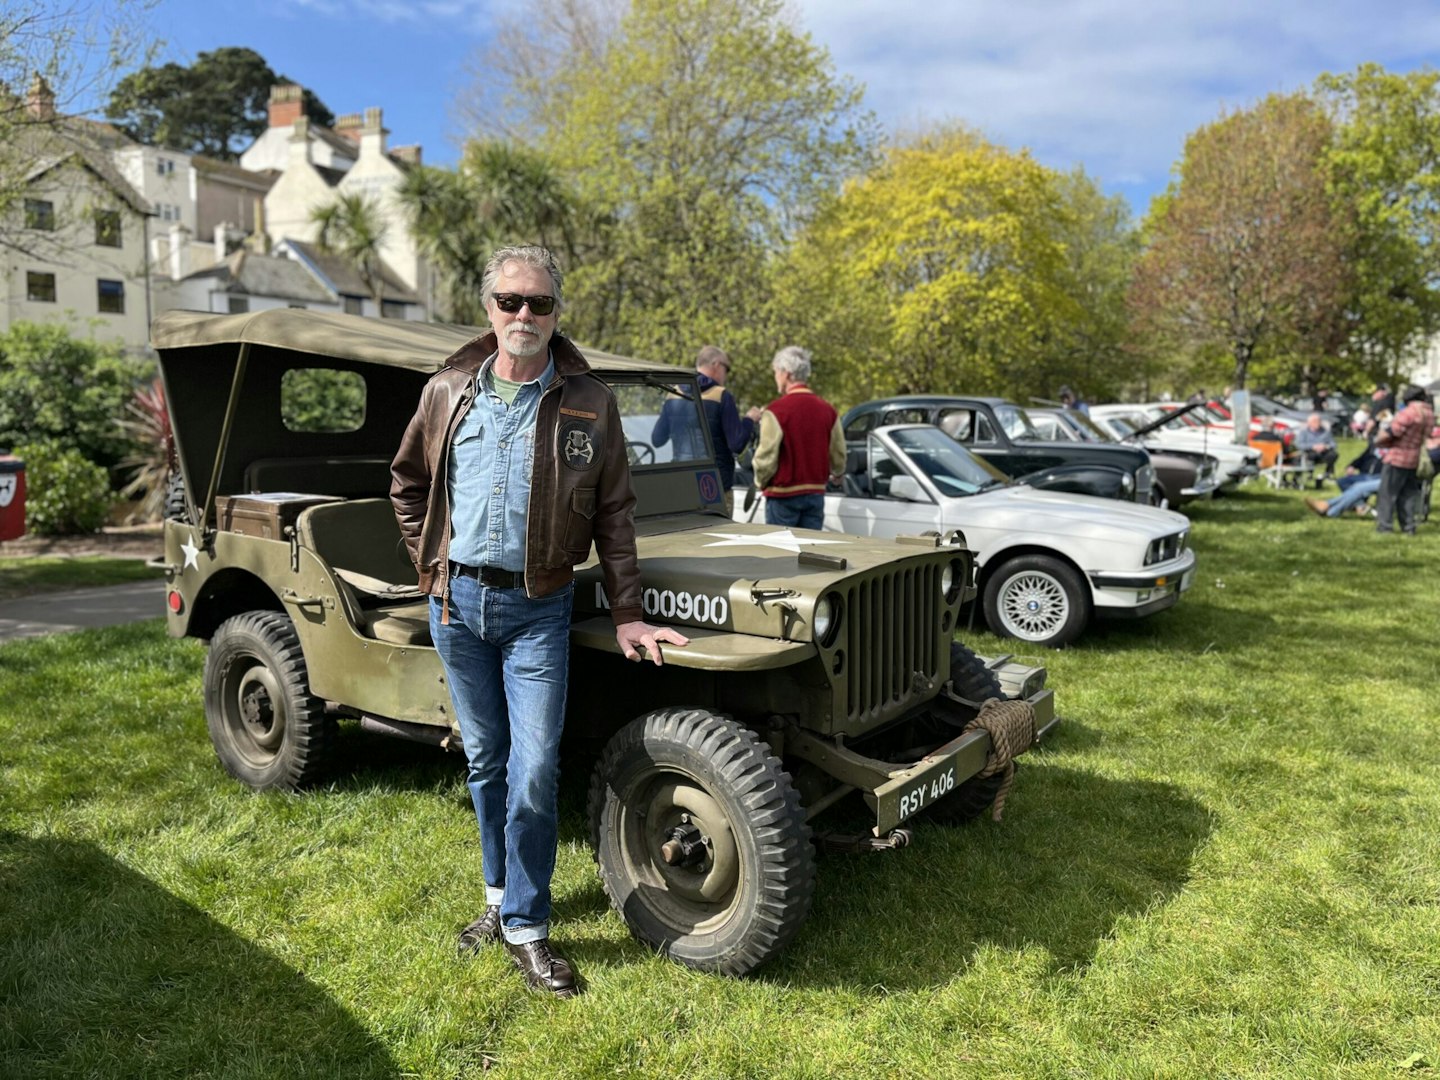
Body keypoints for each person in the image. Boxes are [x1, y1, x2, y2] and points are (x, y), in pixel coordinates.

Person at [390, 244, 688, 999]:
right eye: (511, 302)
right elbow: (407, 483)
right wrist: (428, 566)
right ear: (486, 309)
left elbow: (616, 512)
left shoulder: (589, 402)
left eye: (540, 304)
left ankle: (527, 927)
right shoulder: (447, 391)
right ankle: (498, 897)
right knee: (486, 763)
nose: (525, 316)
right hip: (456, 606)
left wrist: (628, 611)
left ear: (558, 312)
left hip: (538, 611)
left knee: (534, 771)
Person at [652, 345, 761, 514]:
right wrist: (749, 420)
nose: (726, 374)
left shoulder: (672, 394)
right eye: (727, 368)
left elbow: (657, 440)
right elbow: (736, 444)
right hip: (715, 486)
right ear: (716, 364)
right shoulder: (722, 395)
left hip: (682, 483)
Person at [752, 346, 845, 530]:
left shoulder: (776, 411)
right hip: (815, 493)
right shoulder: (828, 410)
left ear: (785, 373)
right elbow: (838, 452)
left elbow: (766, 457)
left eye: (776, 372)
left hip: (782, 496)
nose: (775, 377)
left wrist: (759, 481)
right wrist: (838, 472)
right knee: (809, 554)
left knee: (783, 555)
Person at [1374, 386, 1435, 534]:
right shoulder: (1429, 413)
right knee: (1408, 495)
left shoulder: (1408, 412)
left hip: (1398, 457)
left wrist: (1378, 440)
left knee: (1387, 494)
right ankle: (1408, 527)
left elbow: (1393, 432)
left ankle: (1385, 527)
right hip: (1414, 458)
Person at [1294, 412, 1339, 481]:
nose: (1318, 423)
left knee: (1333, 455)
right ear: (1309, 423)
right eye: (1315, 421)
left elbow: (1333, 444)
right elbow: (1299, 444)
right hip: (1310, 452)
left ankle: (1328, 473)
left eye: (1319, 421)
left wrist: (1325, 446)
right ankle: (1309, 474)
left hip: (1324, 452)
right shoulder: (1304, 432)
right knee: (1311, 455)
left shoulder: (1325, 432)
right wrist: (1313, 446)